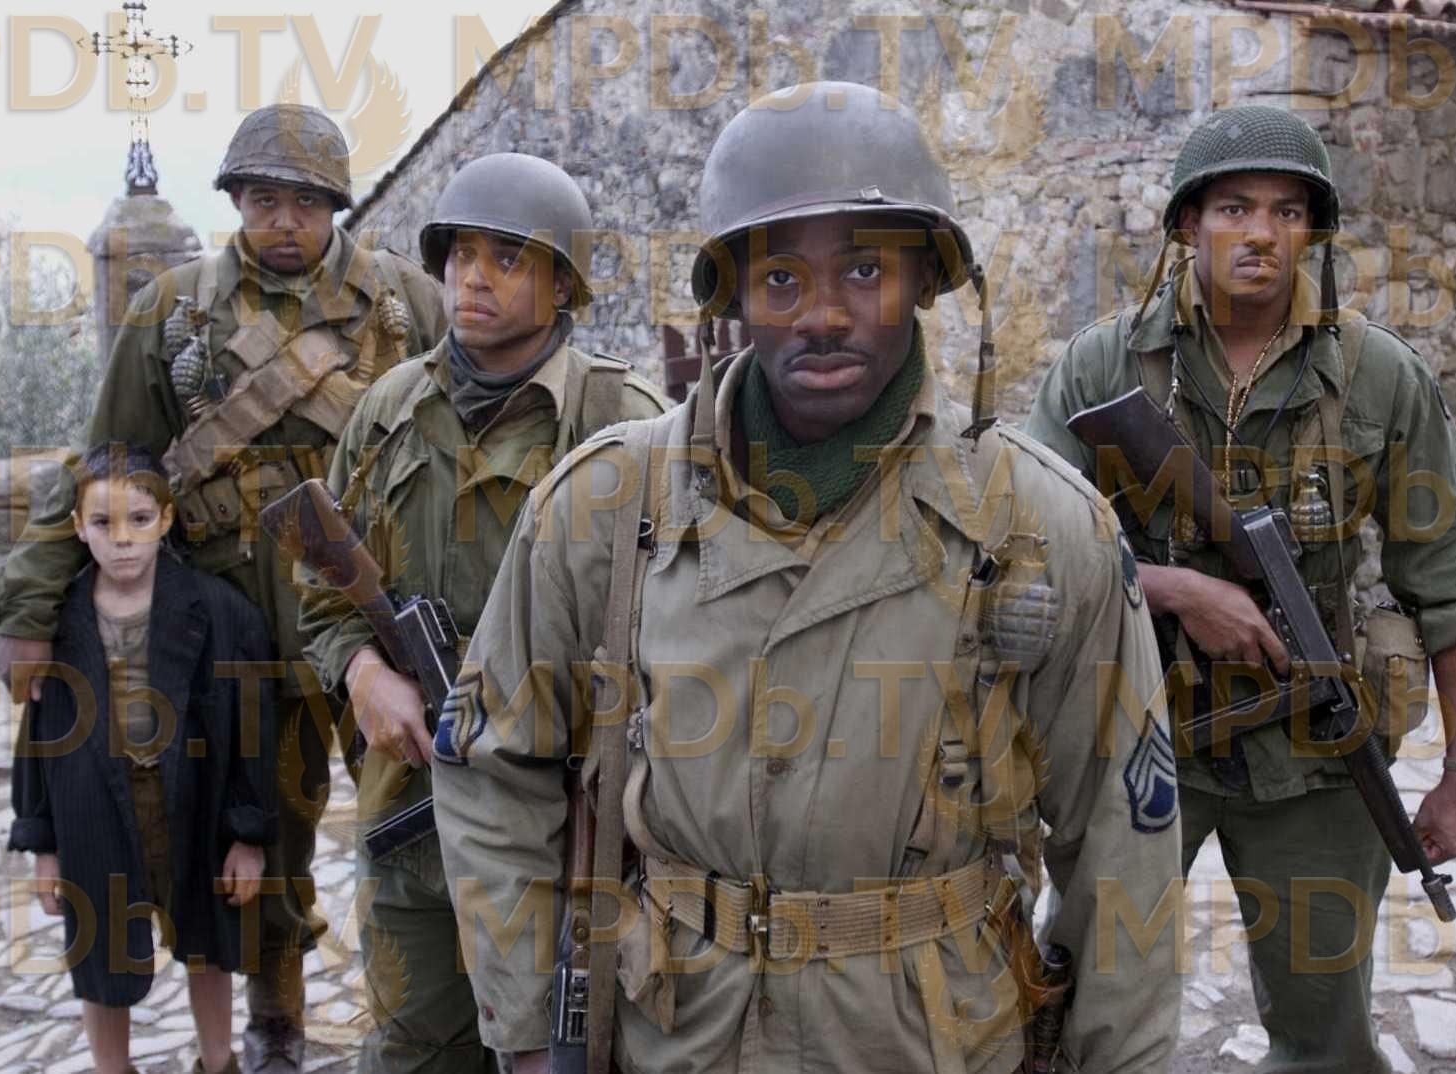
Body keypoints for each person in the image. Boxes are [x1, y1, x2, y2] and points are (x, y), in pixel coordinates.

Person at [429, 82, 1180, 1074]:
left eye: (864, 270)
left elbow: (1122, 843)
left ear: (924, 278)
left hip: (931, 1046)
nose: (823, 315)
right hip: (678, 1039)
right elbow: (492, 767)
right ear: (733, 293)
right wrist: (529, 1034)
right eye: (780, 277)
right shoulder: (604, 505)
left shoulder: (1042, 524)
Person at [1025, 104, 1456, 1073]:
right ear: (1187, 224)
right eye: (1234, 208)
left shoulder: (1377, 376)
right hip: (1137, 741)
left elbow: (1454, 579)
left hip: (1317, 759)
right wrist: (1172, 588)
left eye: (1287, 212)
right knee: (1078, 1004)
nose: (1260, 234)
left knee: (1325, 1034)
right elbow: (1027, 544)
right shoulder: (1103, 364)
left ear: (1311, 233)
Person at [0, 103, 444, 1072]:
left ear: (337, 206)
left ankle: (431, 1015)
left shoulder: (404, 301)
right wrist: (30, 605)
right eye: (264, 199)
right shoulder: (174, 310)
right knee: (261, 831)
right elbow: (111, 460)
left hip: (376, 611)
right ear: (235, 199)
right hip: (239, 625)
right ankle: (274, 1024)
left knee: (421, 822)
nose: (284, 220)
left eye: (306, 202)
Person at [296, 152, 665, 1073]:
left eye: (507, 258)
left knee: (574, 1045)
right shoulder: (388, 411)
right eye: (461, 255)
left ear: (562, 282)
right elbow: (322, 589)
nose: (474, 278)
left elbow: (687, 616)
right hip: (412, 802)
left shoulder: (625, 422)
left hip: (571, 816)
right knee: (417, 1045)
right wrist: (363, 673)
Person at [9, 442, 277, 1074]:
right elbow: (38, 738)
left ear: (166, 518)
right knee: (101, 950)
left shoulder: (221, 611)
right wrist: (43, 844)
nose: (123, 539)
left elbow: (253, 731)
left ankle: (218, 1061)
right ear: (78, 527)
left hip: (194, 798)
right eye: (103, 522)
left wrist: (248, 835)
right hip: (94, 806)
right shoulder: (58, 621)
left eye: (139, 518)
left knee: (208, 941)